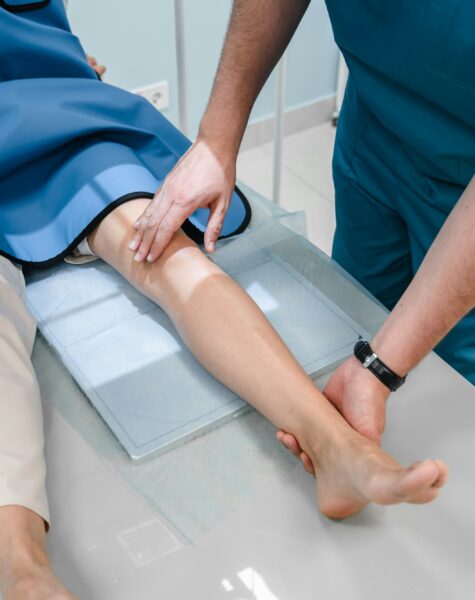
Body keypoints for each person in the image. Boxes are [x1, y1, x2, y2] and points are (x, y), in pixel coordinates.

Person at [0, 2, 448, 598]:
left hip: (41, 111)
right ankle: (23, 571)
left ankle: (335, 446)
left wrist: (51, 54)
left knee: (163, 250)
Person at [128, 1, 475, 468]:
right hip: (376, 119)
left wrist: (380, 367)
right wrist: (218, 136)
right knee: (353, 313)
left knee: (451, 391)